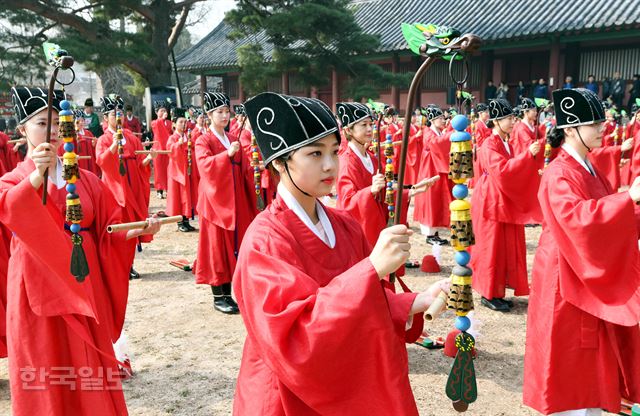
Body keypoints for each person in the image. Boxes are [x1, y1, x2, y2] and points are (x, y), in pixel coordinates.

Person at [234, 91, 449, 415]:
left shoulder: (344, 224)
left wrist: (413, 302)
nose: (330, 164)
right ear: (279, 162)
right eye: (315, 153)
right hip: (286, 392)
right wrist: (370, 269)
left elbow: (369, 299)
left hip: (345, 375)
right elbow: (294, 336)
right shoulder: (264, 241)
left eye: (334, 151)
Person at [1, 86, 160, 415]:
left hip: (84, 276)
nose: (54, 130)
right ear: (22, 130)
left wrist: (138, 228)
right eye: (42, 123)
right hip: (38, 284)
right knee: (47, 361)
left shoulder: (84, 179)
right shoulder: (13, 179)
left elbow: (107, 229)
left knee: (89, 360)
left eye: (59, 123)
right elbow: (10, 209)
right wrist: (35, 177)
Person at [523, 87, 640, 416]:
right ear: (571, 129)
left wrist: (632, 207)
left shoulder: (587, 167)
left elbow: (603, 210)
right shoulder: (560, 173)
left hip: (584, 264)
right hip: (565, 273)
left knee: (589, 358)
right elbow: (578, 218)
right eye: (596, 124)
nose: (603, 129)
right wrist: (627, 199)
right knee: (569, 357)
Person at [471, 98, 542, 312]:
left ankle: (497, 290)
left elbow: (511, 167)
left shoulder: (505, 142)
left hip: (500, 197)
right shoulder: (489, 144)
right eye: (508, 118)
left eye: (512, 118)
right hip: (490, 200)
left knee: (502, 247)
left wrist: (529, 160)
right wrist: (527, 156)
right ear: (496, 121)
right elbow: (502, 170)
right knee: (491, 246)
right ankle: (488, 292)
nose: (512, 122)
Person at [335, 101, 435, 249]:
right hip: (359, 229)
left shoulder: (372, 158)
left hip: (374, 222)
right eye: (364, 125)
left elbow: (383, 194)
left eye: (371, 124)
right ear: (348, 130)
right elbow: (346, 203)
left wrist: (411, 191)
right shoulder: (347, 162)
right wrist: (370, 190)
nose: (370, 129)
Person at [193, 92, 257, 314]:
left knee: (233, 244)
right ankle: (218, 296)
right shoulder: (203, 140)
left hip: (234, 197)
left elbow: (245, 168)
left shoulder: (232, 138)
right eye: (218, 112)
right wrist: (225, 156)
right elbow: (204, 166)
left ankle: (229, 292)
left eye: (226, 111)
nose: (223, 116)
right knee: (216, 247)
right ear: (209, 114)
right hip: (214, 200)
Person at [95, 95, 156, 280]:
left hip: (132, 184)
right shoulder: (103, 139)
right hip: (116, 185)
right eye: (113, 114)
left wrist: (147, 158)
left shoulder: (130, 137)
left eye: (120, 112)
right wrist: (114, 144)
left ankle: (129, 264)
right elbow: (102, 162)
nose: (118, 116)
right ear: (106, 118)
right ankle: (120, 264)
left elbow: (138, 162)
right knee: (121, 224)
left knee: (133, 222)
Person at [413, 105, 452, 245]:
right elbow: (436, 144)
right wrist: (450, 135)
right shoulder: (428, 132)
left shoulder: (439, 132)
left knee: (437, 200)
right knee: (430, 199)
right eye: (440, 118)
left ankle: (435, 233)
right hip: (429, 170)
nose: (443, 120)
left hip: (437, 169)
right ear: (433, 120)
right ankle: (430, 235)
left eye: (443, 117)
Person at [166, 107, 199, 232]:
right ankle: (180, 222)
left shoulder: (188, 136)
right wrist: (178, 144)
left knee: (188, 194)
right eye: (180, 122)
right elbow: (170, 150)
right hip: (177, 170)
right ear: (174, 124)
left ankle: (186, 220)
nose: (183, 124)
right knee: (179, 195)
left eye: (185, 122)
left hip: (188, 169)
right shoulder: (173, 138)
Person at [150, 101, 172, 199]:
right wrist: (162, 118)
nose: (163, 112)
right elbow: (157, 127)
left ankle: (168, 189)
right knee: (159, 170)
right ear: (156, 112)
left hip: (167, 148)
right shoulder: (154, 122)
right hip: (158, 149)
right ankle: (159, 190)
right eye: (161, 111)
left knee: (168, 169)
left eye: (165, 110)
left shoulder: (169, 123)